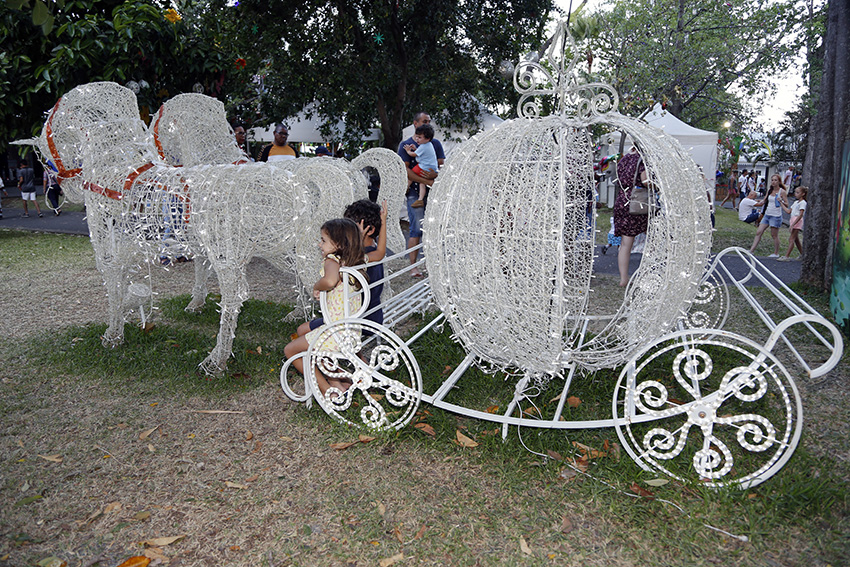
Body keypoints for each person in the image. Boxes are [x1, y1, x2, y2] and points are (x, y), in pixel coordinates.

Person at [283, 218, 367, 396]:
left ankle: (328, 391)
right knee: (306, 333)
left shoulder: (332, 260)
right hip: (351, 330)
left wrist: (317, 286)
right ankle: (337, 381)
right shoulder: (354, 261)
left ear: (337, 244)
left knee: (290, 350)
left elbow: (329, 281)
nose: (319, 244)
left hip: (335, 332)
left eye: (323, 240)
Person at [298, 199, 389, 340]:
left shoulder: (353, 259)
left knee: (302, 330)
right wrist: (383, 222)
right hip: (373, 317)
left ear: (368, 230)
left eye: (350, 229)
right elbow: (381, 252)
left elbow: (330, 280)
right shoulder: (370, 255)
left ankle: (324, 359)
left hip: (354, 319)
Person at [398, 112, 445, 277]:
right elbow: (405, 170)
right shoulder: (406, 144)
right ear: (415, 123)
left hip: (434, 194)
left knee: (434, 229)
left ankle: (432, 265)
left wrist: (432, 178)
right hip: (414, 193)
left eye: (429, 122)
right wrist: (427, 180)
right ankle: (413, 267)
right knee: (416, 229)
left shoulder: (434, 143)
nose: (428, 124)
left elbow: (437, 167)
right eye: (425, 121)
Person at [612, 148, 649, 287]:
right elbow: (645, 181)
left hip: (623, 201)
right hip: (638, 203)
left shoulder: (624, 159)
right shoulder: (642, 159)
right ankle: (649, 273)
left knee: (625, 244)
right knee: (652, 238)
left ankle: (624, 279)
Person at [749, 174, 788, 258]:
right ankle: (751, 250)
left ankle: (776, 253)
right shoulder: (770, 190)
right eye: (772, 180)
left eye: (775, 180)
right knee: (759, 231)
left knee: (774, 235)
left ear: (779, 181)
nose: (773, 182)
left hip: (775, 215)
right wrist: (759, 202)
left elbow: (787, 204)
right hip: (767, 214)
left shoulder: (782, 192)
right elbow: (765, 199)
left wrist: (781, 201)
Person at [403, 123, 439, 208]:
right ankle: (420, 199)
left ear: (427, 138)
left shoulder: (424, 146)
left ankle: (405, 188)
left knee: (411, 175)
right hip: (430, 168)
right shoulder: (427, 145)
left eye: (420, 137)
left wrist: (408, 151)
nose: (417, 139)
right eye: (417, 136)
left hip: (424, 167)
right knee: (422, 183)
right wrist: (415, 148)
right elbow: (421, 153)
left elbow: (414, 155)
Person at [779, 185, 807, 261]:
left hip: (797, 221)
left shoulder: (803, 203)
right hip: (793, 220)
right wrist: (781, 203)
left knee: (791, 239)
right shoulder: (795, 202)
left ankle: (787, 256)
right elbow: (788, 211)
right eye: (795, 192)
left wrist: (793, 224)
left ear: (803, 194)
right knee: (795, 239)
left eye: (798, 192)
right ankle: (802, 254)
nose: (795, 194)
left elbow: (801, 214)